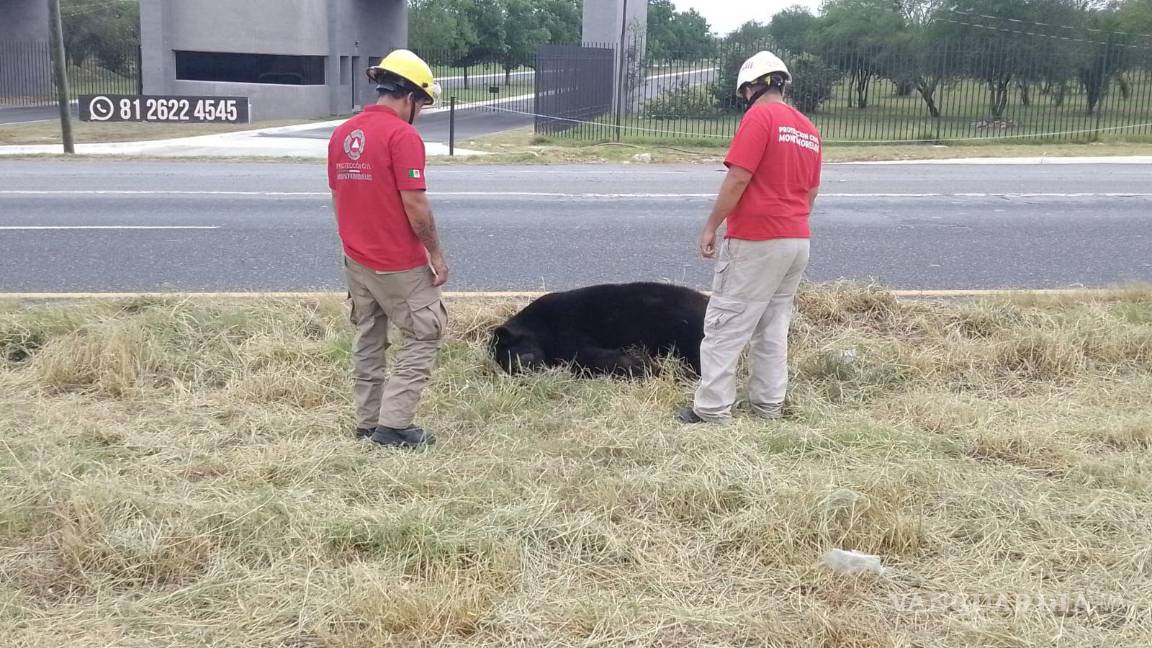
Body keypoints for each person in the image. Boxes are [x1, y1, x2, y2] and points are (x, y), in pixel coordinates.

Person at [677, 51, 823, 425]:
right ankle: (768, 406)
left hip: (757, 239)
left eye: (744, 92)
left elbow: (739, 178)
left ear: (752, 87)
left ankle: (712, 410)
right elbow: (811, 191)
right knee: (773, 328)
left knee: (725, 324)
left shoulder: (759, 117)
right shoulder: (808, 128)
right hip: (796, 239)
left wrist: (712, 225)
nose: (745, 98)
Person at [328, 49, 449, 448]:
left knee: (369, 336)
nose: (421, 112)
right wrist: (435, 254)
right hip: (398, 263)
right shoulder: (402, 135)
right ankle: (394, 426)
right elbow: (415, 204)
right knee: (425, 333)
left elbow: (338, 195)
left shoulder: (343, 133)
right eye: (422, 104)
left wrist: (353, 244)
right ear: (410, 96)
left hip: (357, 259)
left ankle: (367, 422)